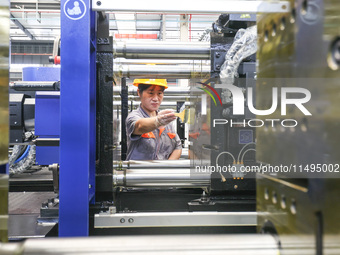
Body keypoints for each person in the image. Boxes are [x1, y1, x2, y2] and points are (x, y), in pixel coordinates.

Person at [126, 79, 182, 160]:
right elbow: (139, 126)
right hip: (138, 171)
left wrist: (167, 167)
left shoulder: (166, 120)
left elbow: (177, 146)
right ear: (139, 93)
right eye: (150, 93)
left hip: (162, 172)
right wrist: (158, 121)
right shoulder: (133, 116)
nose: (156, 98)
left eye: (159, 93)